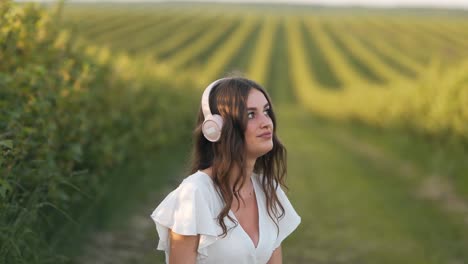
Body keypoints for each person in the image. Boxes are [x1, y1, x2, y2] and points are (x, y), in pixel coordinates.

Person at [150, 76, 301, 264]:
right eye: (251, 115)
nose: (267, 122)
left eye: (266, 111)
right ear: (216, 128)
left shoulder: (268, 189)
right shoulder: (195, 194)